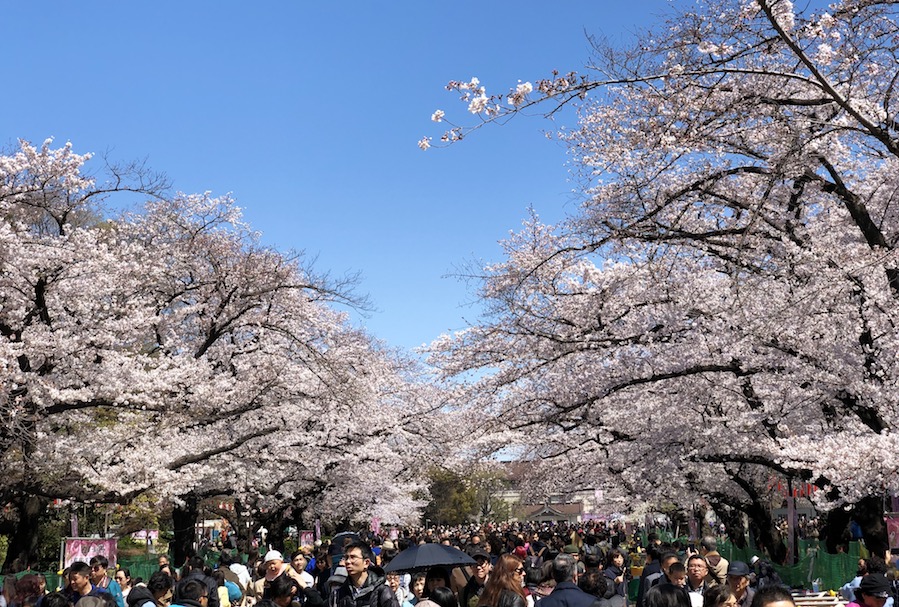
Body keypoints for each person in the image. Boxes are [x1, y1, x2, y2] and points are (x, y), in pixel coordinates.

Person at [330, 541, 398, 607]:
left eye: (353, 557)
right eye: (346, 557)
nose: (348, 561)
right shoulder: (338, 594)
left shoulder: (382, 591)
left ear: (366, 563)